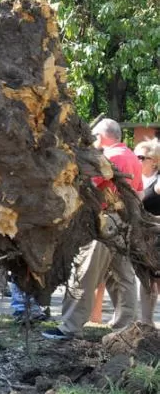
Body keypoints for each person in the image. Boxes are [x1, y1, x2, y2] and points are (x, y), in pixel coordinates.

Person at [43, 118, 142, 340]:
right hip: (125, 220)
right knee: (122, 276)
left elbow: (89, 187)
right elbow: (140, 194)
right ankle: (125, 327)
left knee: (85, 273)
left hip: (104, 220)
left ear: (101, 136)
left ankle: (70, 327)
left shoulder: (108, 158)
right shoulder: (133, 157)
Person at [134, 138, 160, 327]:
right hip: (141, 237)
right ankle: (146, 322)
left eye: (141, 157)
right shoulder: (134, 178)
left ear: (155, 160)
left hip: (157, 236)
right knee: (145, 279)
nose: (137, 160)